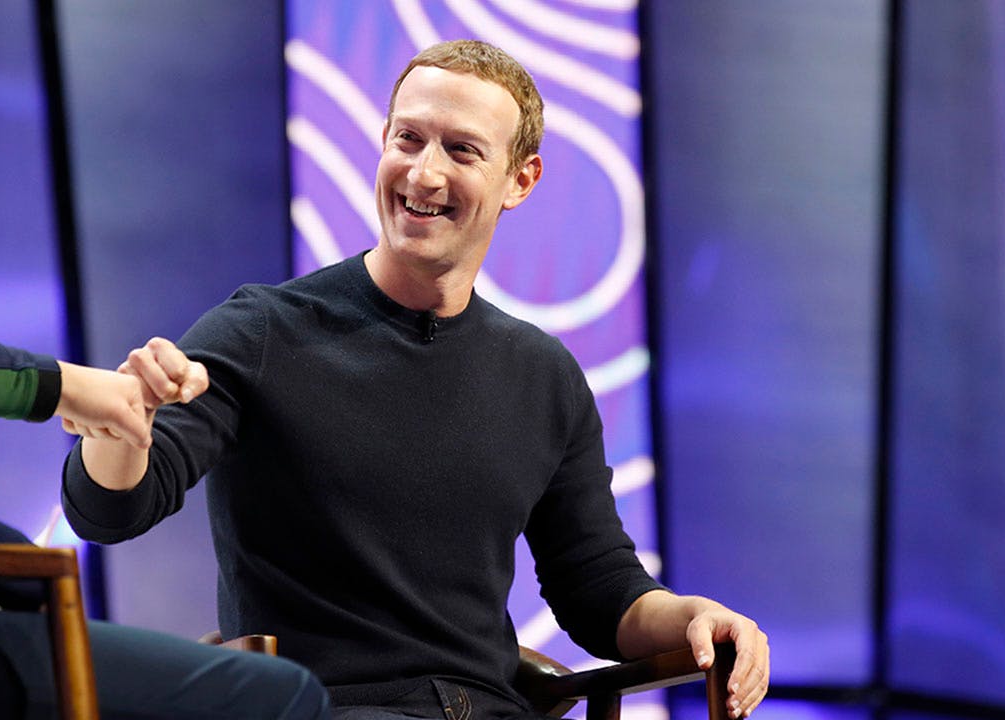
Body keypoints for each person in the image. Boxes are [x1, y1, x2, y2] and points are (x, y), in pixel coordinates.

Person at [64, 40, 770, 719]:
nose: (424, 174)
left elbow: (600, 591)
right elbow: (111, 511)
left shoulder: (544, 376)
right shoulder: (263, 331)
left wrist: (696, 618)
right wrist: (123, 421)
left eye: (461, 150)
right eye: (408, 139)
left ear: (520, 180)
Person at [0, 327, 329, 719]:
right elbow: (105, 511)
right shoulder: (264, 330)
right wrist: (26, 574)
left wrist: (65, 386)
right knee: (279, 695)